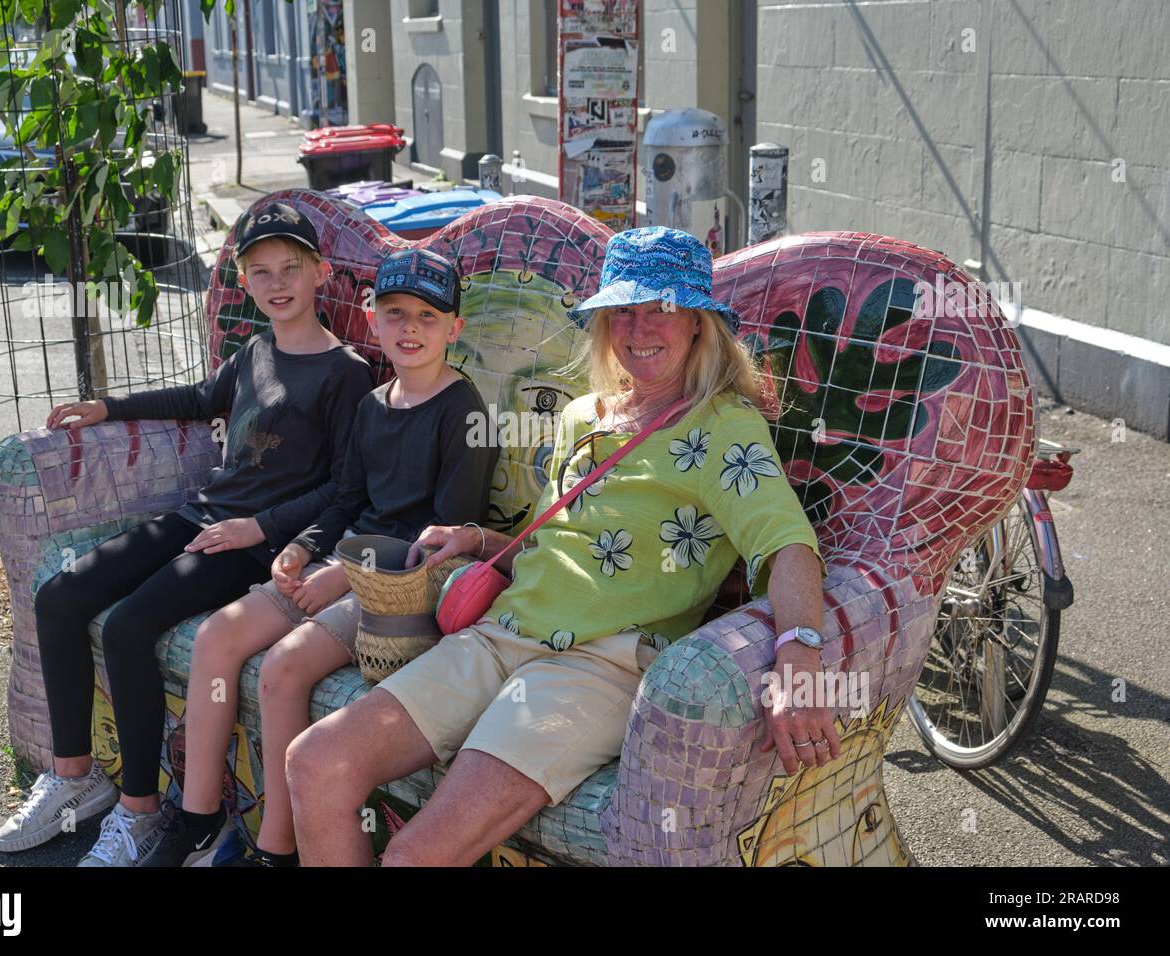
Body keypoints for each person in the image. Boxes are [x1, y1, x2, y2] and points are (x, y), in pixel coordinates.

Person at [284, 227, 832, 866]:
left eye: (663, 307)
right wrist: (479, 539)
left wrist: (800, 651)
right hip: (498, 636)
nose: (640, 327)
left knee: (413, 857)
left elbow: (787, 542)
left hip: (597, 668)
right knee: (314, 761)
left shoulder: (721, 427)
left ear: (699, 324)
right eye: (623, 309)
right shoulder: (585, 415)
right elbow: (549, 542)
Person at [0, 202, 373, 866]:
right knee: (59, 595)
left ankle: (140, 812)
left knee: (129, 626)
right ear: (246, 283)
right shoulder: (255, 352)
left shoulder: (347, 373)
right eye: (260, 272)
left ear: (321, 273)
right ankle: (75, 778)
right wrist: (108, 407)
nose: (276, 283)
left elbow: (347, 490)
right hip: (202, 517)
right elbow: (200, 401)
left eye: (291, 268)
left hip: (256, 545)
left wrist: (260, 525)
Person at [143, 249, 499, 866]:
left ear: (453, 329)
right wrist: (304, 546)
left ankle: (277, 848)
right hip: (341, 559)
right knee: (217, 638)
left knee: (283, 669)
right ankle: (197, 817)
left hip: (401, 585)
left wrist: (341, 575)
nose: (410, 328)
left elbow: (446, 534)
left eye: (426, 316)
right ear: (375, 321)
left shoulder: (464, 412)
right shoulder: (372, 403)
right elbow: (345, 496)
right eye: (394, 314)